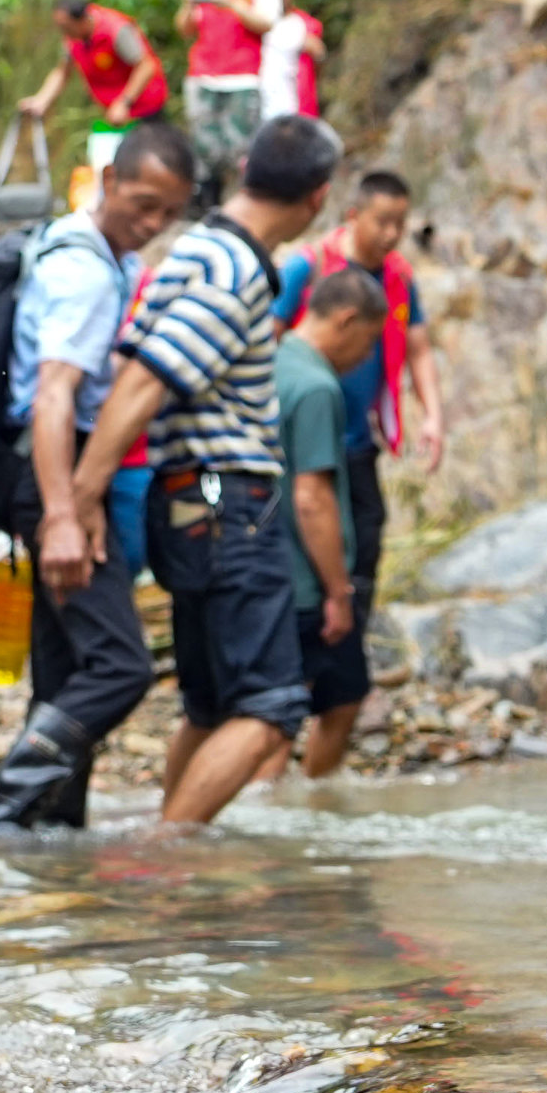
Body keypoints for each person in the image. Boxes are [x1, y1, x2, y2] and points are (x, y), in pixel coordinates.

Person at [63, 118, 340, 825]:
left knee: (211, 704)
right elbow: (145, 384)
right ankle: (165, 852)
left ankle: (171, 865)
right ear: (317, 198)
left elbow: (128, 367)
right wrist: (83, 496)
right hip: (227, 502)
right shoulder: (236, 269)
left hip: (183, 499)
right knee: (271, 709)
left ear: (246, 169)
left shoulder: (193, 250)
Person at [0, 121, 199, 830]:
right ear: (106, 182)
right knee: (120, 667)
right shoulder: (84, 273)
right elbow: (53, 396)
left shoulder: (98, 256)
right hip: (48, 473)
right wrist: (63, 513)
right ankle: (1, 817)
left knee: (66, 670)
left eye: (169, 212)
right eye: (141, 203)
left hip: (51, 474)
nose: (153, 222)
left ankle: (51, 832)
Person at [276, 170, 444, 723]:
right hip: (301, 437)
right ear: (354, 215)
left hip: (357, 438)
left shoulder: (398, 278)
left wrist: (432, 417)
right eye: (383, 221)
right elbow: (267, 336)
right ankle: (302, 658)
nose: (393, 233)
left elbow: (417, 347)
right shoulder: (309, 266)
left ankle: (346, 649)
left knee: (363, 543)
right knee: (307, 537)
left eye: (401, 222)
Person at [269, 263, 387, 780]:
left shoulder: (273, 363)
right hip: (304, 584)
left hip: (265, 570)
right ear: (345, 320)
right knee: (276, 715)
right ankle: (270, 814)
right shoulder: (318, 387)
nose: (368, 356)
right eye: (370, 339)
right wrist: (338, 592)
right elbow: (312, 497)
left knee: (336, 697)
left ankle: (300, 804)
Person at [179, 0, 283, 187]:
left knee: (240, 145)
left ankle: (241, 193)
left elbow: (266, 22)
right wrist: (188, 6)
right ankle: (208, 194)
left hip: (242, 76)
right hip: (203, 74)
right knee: (203, 141)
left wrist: (231, 4)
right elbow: (184, 29)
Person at [18, 0, 169, 128]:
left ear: (82, 19)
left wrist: (125, 102)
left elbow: (146, 65)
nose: (63, 32)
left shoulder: (115, 30)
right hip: (112, 112)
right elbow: (62, 72)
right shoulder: (73, 38)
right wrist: (41, 100)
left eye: (66, 27)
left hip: (144, 108)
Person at [256, 0, 324, 126]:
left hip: (292, 106)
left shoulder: (304, 24)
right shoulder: (250, 21)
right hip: (255, 103)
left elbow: (318, 58)